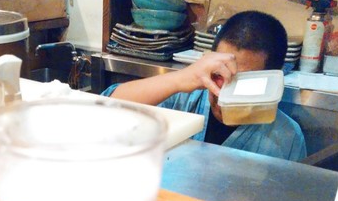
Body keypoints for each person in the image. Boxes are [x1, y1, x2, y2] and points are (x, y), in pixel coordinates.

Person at [102, 10, 307, 161]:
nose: (222, 92)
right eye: (220, 73)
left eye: (241, 83)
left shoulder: (286, 138)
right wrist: (179, 78)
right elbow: (105, 110)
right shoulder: (183, 98)